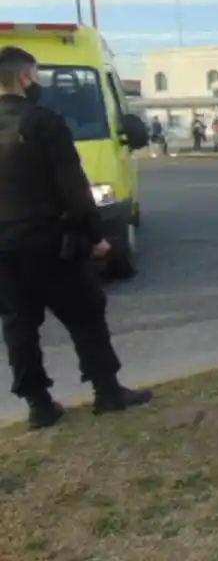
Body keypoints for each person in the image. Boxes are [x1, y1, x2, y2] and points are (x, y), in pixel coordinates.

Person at [0, 46, 152, 429]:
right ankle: (108, 392)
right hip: (50, 243)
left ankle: (39, 406)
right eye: (36, 75)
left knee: (19, 326)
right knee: (86, 314)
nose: (38, 83)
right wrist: (95, 237)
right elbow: (74, 188)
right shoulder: (44, 122)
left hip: (5, 249)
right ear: (24, 78)